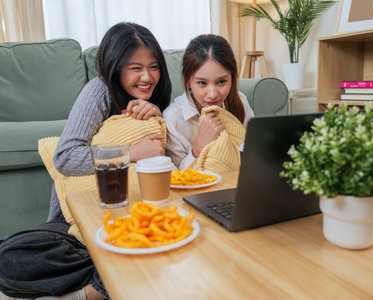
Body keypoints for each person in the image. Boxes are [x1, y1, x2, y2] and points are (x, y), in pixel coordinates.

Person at [0, 22, 171, 300]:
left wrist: (157, 115)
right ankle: (115, 277)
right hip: (76, 221)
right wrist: (131, 152)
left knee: (164, 241)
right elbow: (65, 157)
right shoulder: (99, 90)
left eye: (154, 66)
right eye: (135, 67)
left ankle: (90, 292)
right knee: (9, 260)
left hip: (136, 216)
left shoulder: (157, 101)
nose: (147, 77)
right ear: (115, 67)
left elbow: (166, 161)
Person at [163, 34, 254, 170]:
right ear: (188, 81)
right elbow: (177, 178)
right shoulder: (173, 120)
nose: (212, 94)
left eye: (221, 82)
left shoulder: (240, 101)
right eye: (202, 83)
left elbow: (254, 153)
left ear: (232, 77)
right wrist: (199, 147)